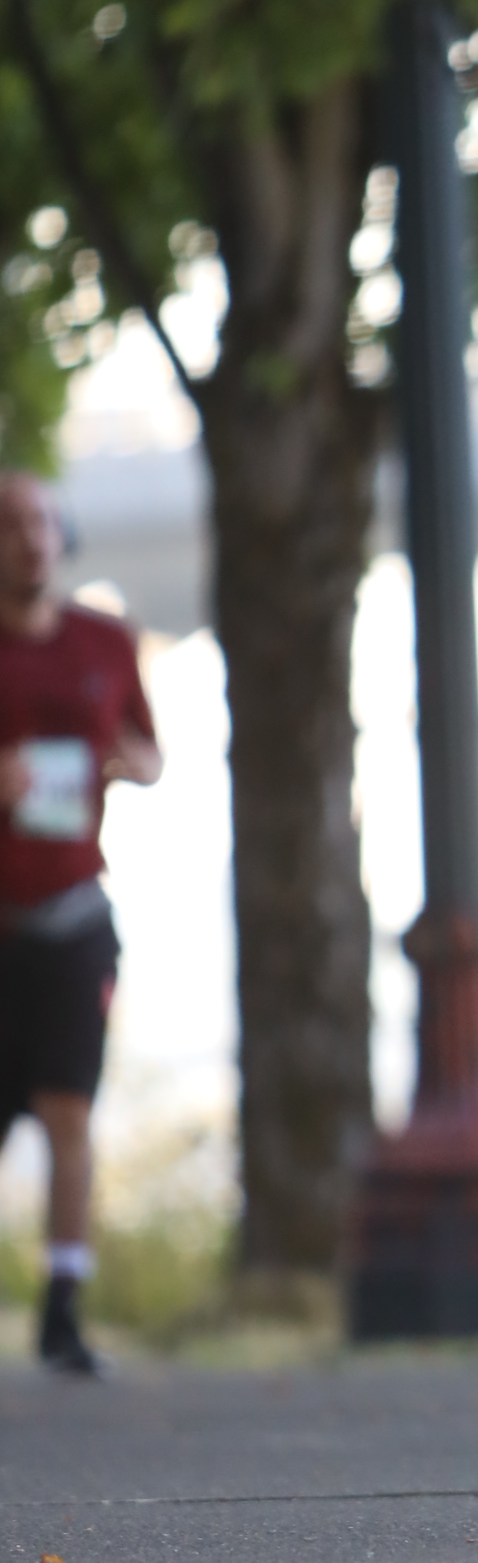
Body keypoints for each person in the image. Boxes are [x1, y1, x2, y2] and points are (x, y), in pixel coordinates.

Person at [0, 470, 163, 1375]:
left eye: (40, 522)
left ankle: (63, 1312)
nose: (30, 539)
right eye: (10, 525)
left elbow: (150, 753)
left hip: (72, 914)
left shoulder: (105, 640)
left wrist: (123, 764)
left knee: (70, 1113)